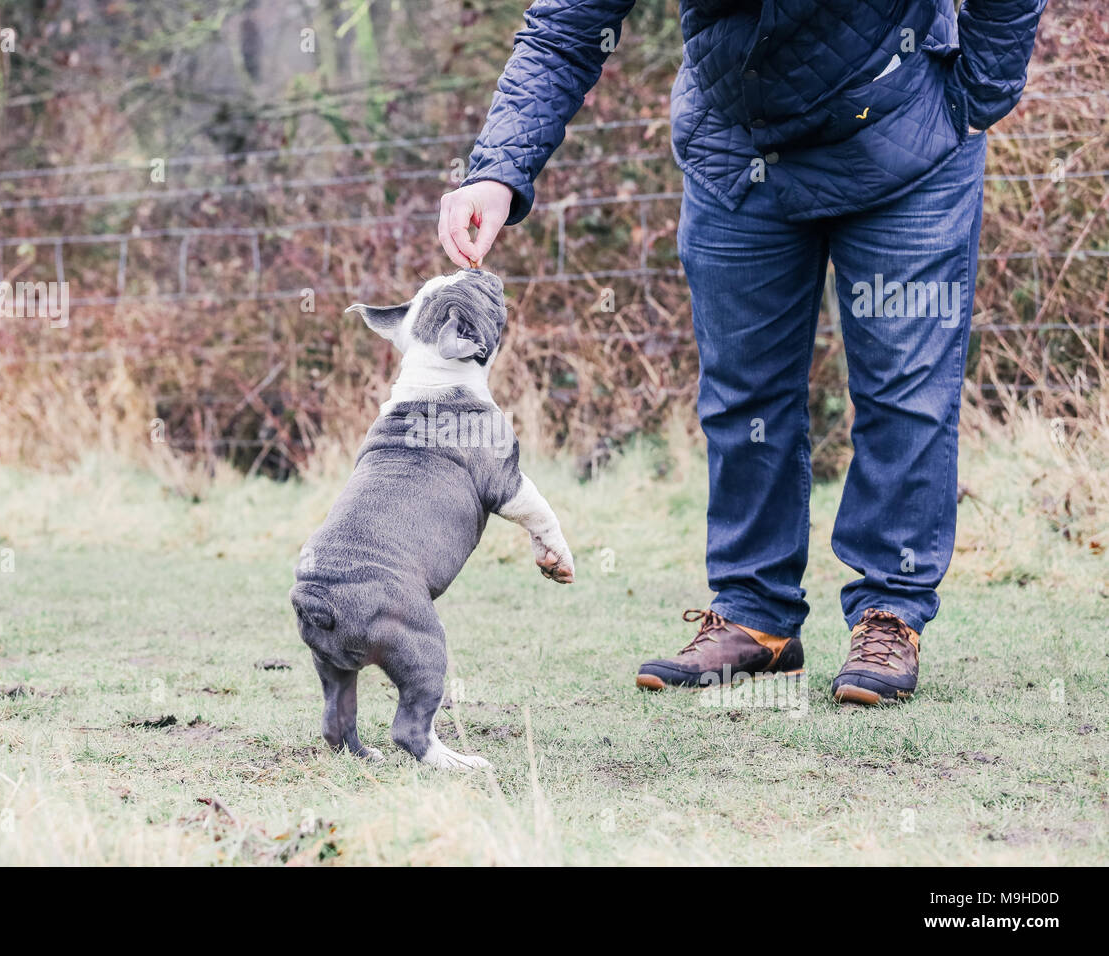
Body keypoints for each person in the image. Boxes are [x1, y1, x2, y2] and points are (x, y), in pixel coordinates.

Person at [437, 0, 1047, 704]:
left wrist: (981, 95)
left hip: (904, 134)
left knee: (905, 394)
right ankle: (756, 616)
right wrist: (498, 169)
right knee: (743, 396)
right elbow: (569, 22)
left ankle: (891, 612)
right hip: (737, 147)